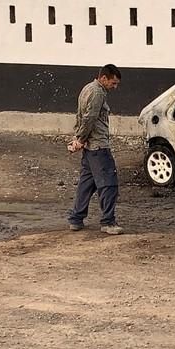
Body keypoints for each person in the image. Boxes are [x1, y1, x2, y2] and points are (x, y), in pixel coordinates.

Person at [67, 64, 123, 235]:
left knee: (86, 184)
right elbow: (90, 118)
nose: (115, 87)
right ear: (104, 78)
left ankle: (76, 219)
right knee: (108, 184)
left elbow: (81, 116)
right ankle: (108, 222)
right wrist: (80, 139)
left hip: (89, 149)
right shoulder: (98, 93)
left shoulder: (87, 89)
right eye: (113, 83)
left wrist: (79, 139)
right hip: (98, 147)